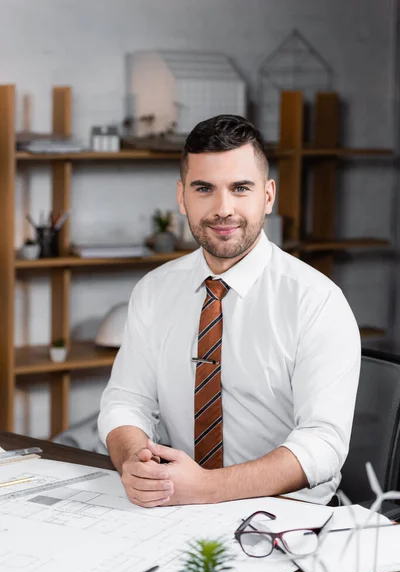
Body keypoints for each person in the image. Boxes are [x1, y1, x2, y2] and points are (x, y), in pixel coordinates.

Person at [98, 114, 361, 508]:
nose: (223, 209)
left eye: (241, 188)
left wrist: (207, 488)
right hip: (178, 507)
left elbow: (324, 442)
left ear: (268, 195)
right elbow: (125, 401)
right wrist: (133, 460)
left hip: (287, 515)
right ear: (181, 196)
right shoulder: (153, 291)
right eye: (204, 188)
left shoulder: (316, 301)